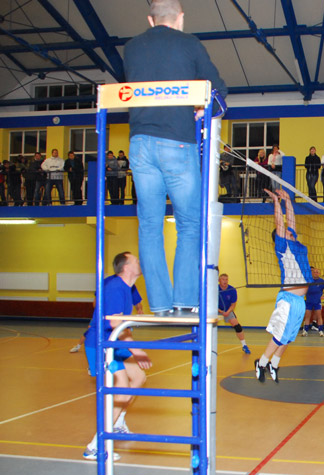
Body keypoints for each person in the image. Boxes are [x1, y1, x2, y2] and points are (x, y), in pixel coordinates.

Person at [124, 0, 227, 316]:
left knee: (149, 226)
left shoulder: (131, 47)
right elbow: (218, 92)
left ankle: (159, 303)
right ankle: (184, 299)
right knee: (189, 224)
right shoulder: (189, 44)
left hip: (140, 144)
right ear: (180, 18)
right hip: (177, 143)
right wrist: (201, 110)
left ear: (150, 20)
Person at [82, 252, 152, 460]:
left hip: (115, 342)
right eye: (136, 261)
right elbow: (115, 323)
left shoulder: (127, 288)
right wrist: (137, 351)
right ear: (126, 267)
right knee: (122, 389)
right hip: (102, 344)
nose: (140, 263)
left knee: (138, 377)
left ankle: (118, 421)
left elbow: (122, 326)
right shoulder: (114, 287)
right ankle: (96, 446)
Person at [257, 188, 312, 383]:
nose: (290, 230)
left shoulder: (296, 245)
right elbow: (280, 223)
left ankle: (274, 363)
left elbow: (291, 221)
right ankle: (261, 362)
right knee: (280, 335)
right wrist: (276, 203)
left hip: (300, 300)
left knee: (288, 337)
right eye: (287, 231)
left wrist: (288, 200)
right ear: (281, 236)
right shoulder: (282, 247)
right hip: (287, 299)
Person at [70, 285, 144, 353]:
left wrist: (139, 309)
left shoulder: (131, 287)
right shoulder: (108, 283)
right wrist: (99, 311)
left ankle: (128, 351)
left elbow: (137, 302)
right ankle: (78, 345)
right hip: (104, 315)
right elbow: (95, 302)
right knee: (90, 331)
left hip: (120, 317)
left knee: (127, 333)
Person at [218, 273, 251, 354]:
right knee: (209, 326)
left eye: (226, 279)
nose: (225, 281)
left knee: (237, 326)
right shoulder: (214, 289)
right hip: (215, 310)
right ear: (219, 280)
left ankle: (244, 345)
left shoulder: (232, 289)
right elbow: (211, 303)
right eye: (223, 279)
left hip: (227, 310)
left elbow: (233, 304)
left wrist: (227, 312)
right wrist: (221, 312)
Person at [301, 266, 324, 337]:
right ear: (312, 273)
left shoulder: (322, 281)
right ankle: (305, 331)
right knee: (307, 316)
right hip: (309, 301)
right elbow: (303, 288)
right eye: (314, 272)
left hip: (317, 302)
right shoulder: (308, 280)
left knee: (319, 316)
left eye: (317, 272)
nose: (316, 273)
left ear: (319, 273)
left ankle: (321, 331)